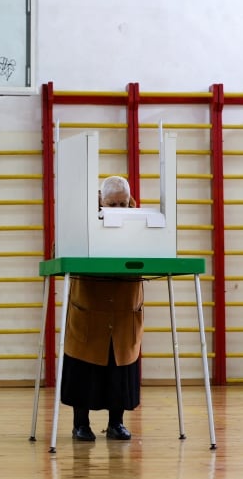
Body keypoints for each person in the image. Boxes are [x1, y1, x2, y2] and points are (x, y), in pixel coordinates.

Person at [61, 175, 144, 442]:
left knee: (119, 368)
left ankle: (116, 423)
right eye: (112, 204)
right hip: (90, 307)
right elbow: (58, 251)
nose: (119, 210)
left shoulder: (140, 220)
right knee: (84, 369)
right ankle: (80, 424)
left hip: (123, 309)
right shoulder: (82, 219)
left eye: (123, 204)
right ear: (100, 201)